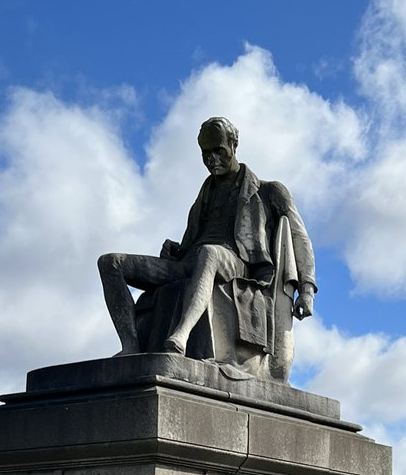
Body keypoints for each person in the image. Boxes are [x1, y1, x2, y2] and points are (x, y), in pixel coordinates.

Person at [97, 117, 316, 381]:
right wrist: (176, 250)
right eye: (206, 153)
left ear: (234, 146)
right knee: (111, 262)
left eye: (218, 151)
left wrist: (306, 289)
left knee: (209, 253)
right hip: (189, 262)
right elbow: (196, 240)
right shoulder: (205, 194)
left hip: (239, 265)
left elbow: (299, 237)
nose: (212, 159)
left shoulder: (269, 191)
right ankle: (131, 346)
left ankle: (180, 336)